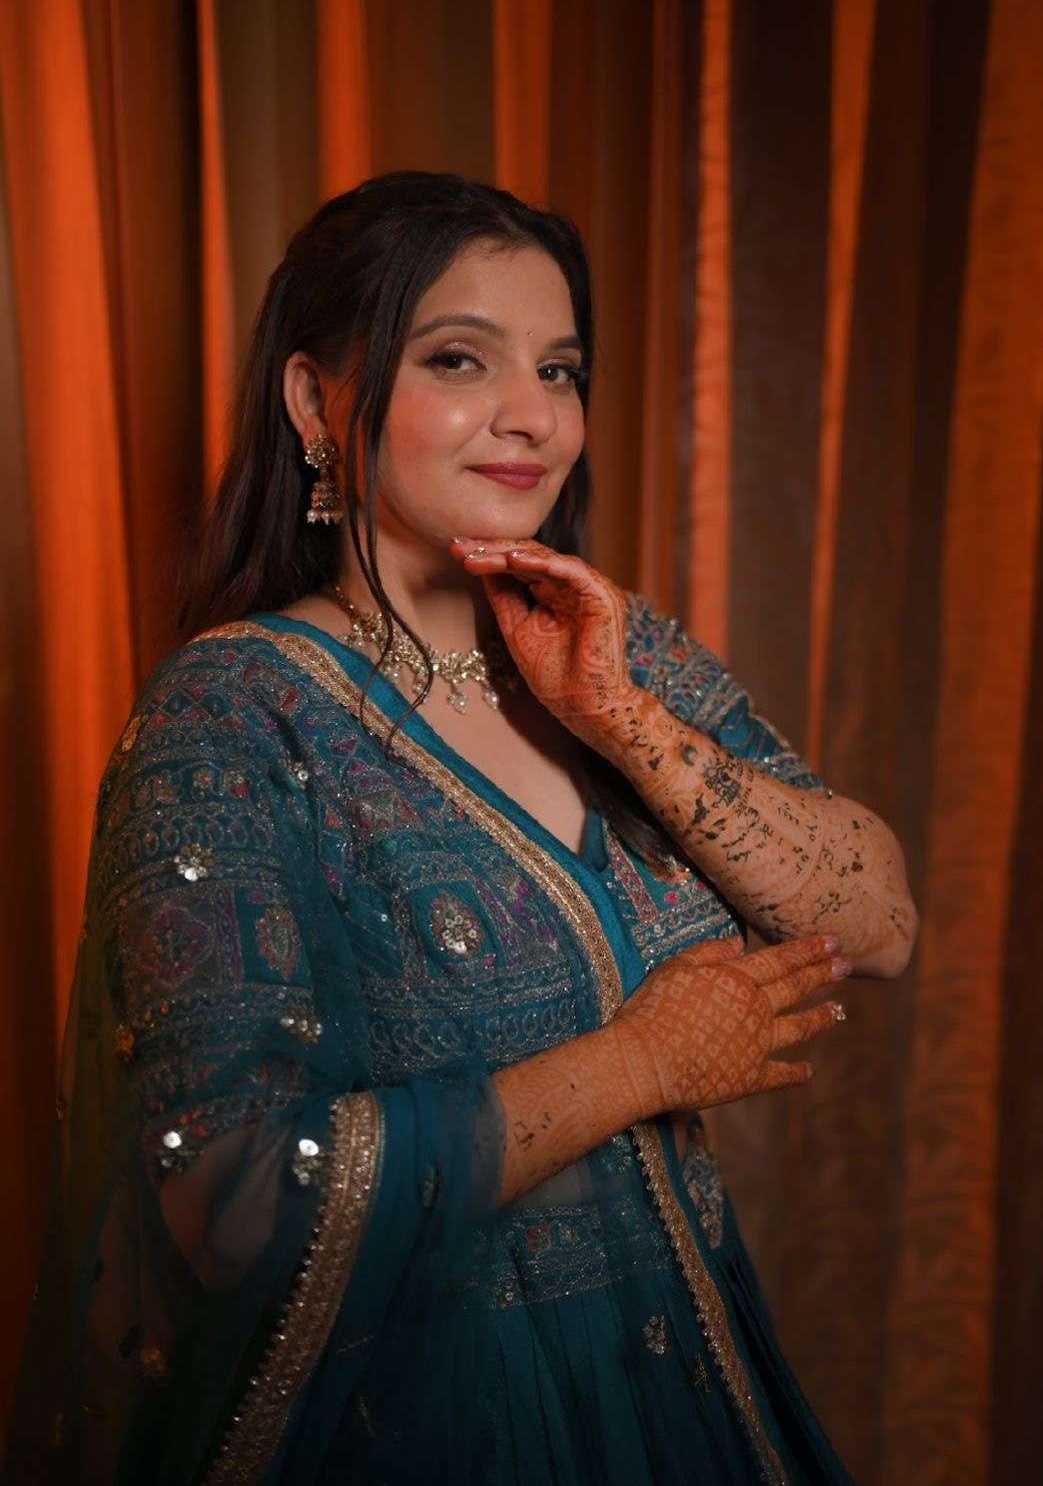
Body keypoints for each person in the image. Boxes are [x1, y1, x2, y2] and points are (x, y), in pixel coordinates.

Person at [4, 172, 917, 1486]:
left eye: (559, 370)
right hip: (431, 1425)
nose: (532, 416)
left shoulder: (617, 653)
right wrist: (638, 1064)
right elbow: (235, 1199)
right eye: (458, 359)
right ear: (315, 402)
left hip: (683, 1399)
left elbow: (880, 924)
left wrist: (622, 719)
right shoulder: (236, 715)